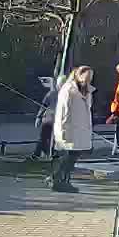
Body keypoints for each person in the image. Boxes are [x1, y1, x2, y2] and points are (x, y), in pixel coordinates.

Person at [48, 65, 95, 193]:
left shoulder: (87, 91)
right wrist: (63, 129)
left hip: (80, 129)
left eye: (91, 76)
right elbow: (63, 111)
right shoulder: (68, 89)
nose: (89, 79)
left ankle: (63, 180)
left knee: (72, 158)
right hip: (69, 129)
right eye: (86, 75)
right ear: (78, 75)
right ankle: (58, 180)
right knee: (67, 157)